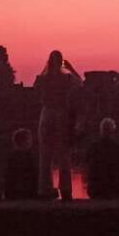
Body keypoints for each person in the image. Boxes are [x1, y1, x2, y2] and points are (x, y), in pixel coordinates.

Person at [35, 50, 82, 201]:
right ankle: (66, 189)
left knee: (45, 155)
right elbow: (80, 82)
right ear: (61, 61)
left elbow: (35, 89)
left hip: (47, 114)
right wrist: (70, 67)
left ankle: (44, 189)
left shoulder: (43, 79)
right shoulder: (67, 77)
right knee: (64, 154)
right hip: (62, 114)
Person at [85, 118, 119, 200]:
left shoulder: (93, 147)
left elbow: (87, 165)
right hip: (113, 189)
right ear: (113, 131)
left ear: (101, 131)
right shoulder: (118, 149)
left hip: (95, 189)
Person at [4, 129, 39, 200]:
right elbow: (35, 174)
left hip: (14, 192)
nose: (31, 142)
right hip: (28, 191)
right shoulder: (30, 157)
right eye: (29, 140)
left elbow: (8, 176)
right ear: (23, 141)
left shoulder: (11, 157)